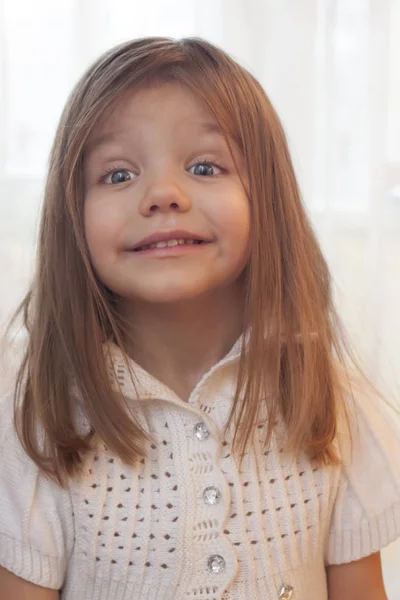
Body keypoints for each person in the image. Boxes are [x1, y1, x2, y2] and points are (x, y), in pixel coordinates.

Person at [0, 37, 399, 600]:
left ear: (268, 197)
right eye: (117, 175)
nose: (163, 194)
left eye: (205, 166)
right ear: (73, 216)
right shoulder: (38, 419)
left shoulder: (331, 400)